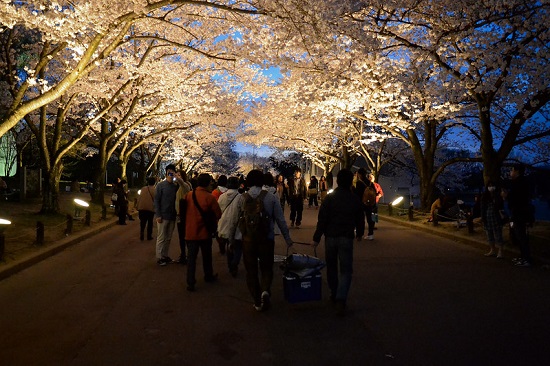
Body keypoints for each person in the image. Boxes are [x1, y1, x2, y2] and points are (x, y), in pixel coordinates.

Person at [237, 169, 293, 311]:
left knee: (251, 271)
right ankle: (265, 291)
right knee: (266, 267)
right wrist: (288, 239)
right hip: (266, 238)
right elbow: (280, 219)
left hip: (248, 240)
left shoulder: (242, 198)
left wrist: (231, 238)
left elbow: (234, 221)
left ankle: (257, 301)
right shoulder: (271, 197)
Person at [312, 168, 365, 316]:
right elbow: (360, 218)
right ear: (350, 182)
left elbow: (322, 219)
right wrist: (360, 233)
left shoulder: (330, 198)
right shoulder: (353, 198)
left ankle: (334, 292)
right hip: (346, 237)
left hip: (330, 237)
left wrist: (317, 237)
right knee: (346, 269)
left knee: (332, 267)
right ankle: (341, 298)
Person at [184, 173, 222, 291]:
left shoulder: (189, 195)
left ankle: (190, 282)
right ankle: (208, 275)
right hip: (204, 232)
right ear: (207, 184)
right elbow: (218, 214)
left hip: (190, 231)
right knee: (206, 256)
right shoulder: (209, 197)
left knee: (191, 259)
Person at [503, 164, 534, 267]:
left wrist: (507, 196)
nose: (510, 172)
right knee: (519, 236)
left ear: (517, 171)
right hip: (519, 212)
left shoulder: (519, 183)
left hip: (520, 213)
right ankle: (523, 257)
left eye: (512, 170)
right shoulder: (520, 182)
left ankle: (527, 259)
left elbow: (517, 199)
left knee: (521, 236)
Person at [154, 164, 180, 266]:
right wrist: (158, 215)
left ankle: (165, 255)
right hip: (163, 216)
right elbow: (156, 200)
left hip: (172, 216)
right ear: (166, 173)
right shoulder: (160, 185)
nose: (170, 173)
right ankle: (159, 257)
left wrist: (178, 178)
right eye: (169, 172)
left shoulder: (175, 186)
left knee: (168, 237)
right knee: (161, 237)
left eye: (172, 172)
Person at [217, 176, 242, 277]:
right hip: (237, 225)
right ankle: (234, 264)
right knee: (238, 246)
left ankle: (230, 266)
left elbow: (218, 209)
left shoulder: (222, 196)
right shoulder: (241, 197)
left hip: (224, 224)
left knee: (229, 246)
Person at [480, 181, 505, 258]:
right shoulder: (485, 196)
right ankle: (492, 250)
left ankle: (500, 251)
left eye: (492, 186)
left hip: (496, 217)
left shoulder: (498, 195)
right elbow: (482, 207)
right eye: (489, 186)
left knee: (498, 235)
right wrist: (482, 217)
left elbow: (500, 205)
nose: (491, 187)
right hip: (487, 217)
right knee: (489, 235)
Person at [175, 169, 192, 264]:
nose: (177, 177)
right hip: (180, 214)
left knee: (185, 236)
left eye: (179, 175)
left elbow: (182, 183)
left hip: (185, 214)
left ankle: (188, 255)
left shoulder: (186, 185)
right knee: (181, 236)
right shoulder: (179, 187)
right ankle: (183, 254)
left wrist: (177, 177)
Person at [353, 168, 375, 240]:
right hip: (369, 203)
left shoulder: (359, 183)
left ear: (359, 174)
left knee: (360, 219)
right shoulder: (370, 182)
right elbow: (374, 192)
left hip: (361, 203)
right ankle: (371, 234)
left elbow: (357, 194)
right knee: (370, 219)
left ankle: (360, 234)